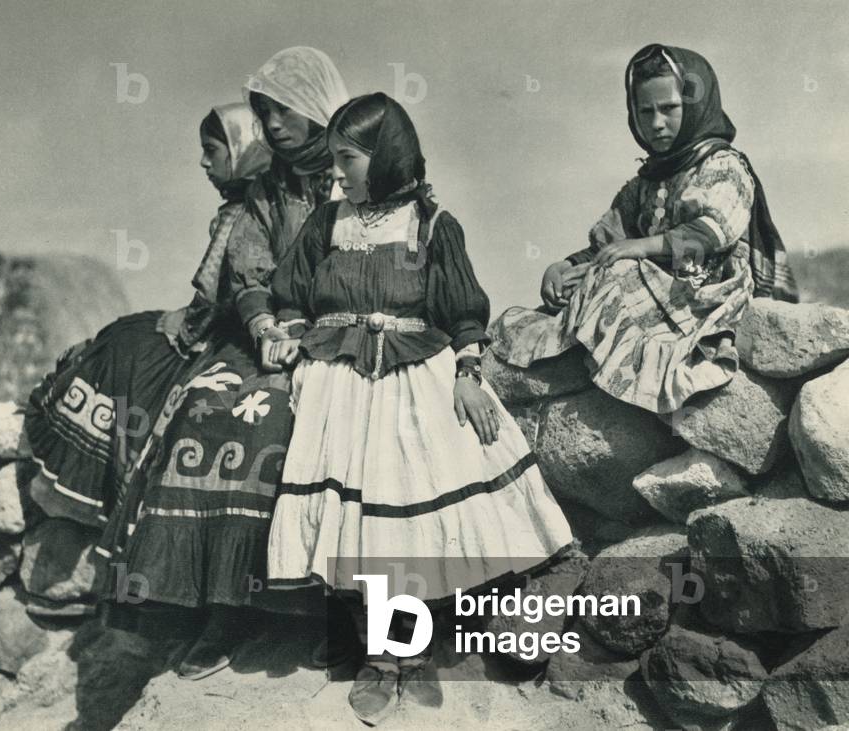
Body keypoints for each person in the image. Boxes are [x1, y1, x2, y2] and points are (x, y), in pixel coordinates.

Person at [260, 92, 574, 725]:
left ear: (386, 156)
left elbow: (461, 311)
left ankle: (412, 652)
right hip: (339, 382)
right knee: (350, 525)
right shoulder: (326, 224)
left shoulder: (433, 225)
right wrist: (294, 347)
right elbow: (290, 294)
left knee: (412, 518)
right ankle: (376, 655)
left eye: (348, 158)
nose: (338, 171)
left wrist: (467, 374)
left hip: (414, 376)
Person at [100, 46, 350, 681]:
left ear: (317, 106)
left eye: (283, 111)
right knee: (204, 409)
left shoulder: (357, 174)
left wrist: (314, 325)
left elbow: (372, 261)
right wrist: (264, 320)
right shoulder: (266, 191)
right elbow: (248, 261)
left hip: (341, 335)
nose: (273, 127)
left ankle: (325, 607)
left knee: (282, 424)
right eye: (263, 115)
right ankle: (223, 607)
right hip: (268, 335)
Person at [494, 44, 798, 414]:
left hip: (707, 292)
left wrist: (641, 247)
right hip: (655, 287)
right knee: (602, 272)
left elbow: (712, 234)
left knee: (619, 271)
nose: (656, 123)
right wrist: (563, 267)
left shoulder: (723, 165)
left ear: (695, 104)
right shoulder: (644, 184)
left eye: (669, 108)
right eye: (645, 111)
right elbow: (609, 243)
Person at [24, 102, 271, 531]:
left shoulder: (250, 212)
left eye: (212, 150)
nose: (202, 162)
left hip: (227, 337)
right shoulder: (255, 204)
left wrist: (181, 326)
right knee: (127, 333)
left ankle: (100, 485)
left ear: (240, 150)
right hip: (226, 328)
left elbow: (214, 303)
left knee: (125, 342)